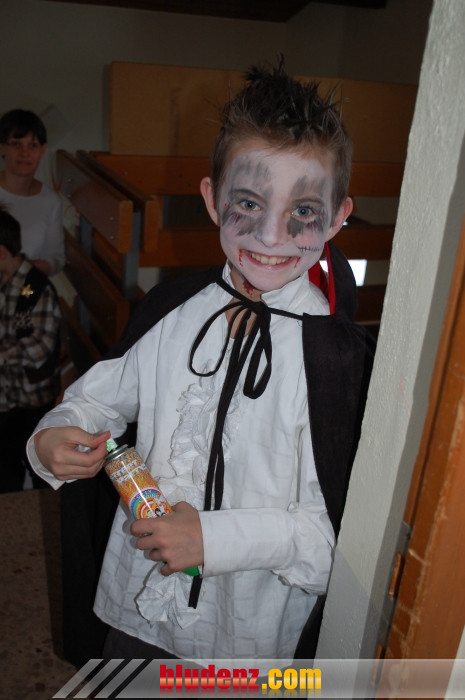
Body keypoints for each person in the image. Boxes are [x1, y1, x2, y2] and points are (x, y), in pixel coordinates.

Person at [27, 61, 374, 662]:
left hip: (242, 635)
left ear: (339, 216)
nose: (270, 237)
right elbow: (96, 398)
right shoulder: (173, 312)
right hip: (138, 601)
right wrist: (54, 435)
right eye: (249, 202)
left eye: (303, 211)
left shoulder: (337, 364)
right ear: (213, 200)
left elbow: (333, 544)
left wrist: (213, 539)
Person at [0, 206, 61, 492]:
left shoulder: (37, 289)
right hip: (5, 398)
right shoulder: (3, 281)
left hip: (32, 401)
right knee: (5, 468)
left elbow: (39, 349)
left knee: (38, 468)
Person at [0, 109, 65, 277]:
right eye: (16, 144)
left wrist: (27, 268)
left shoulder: (51, 201)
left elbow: (55, 259)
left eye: (33, 145)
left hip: (24, 286)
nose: (25, 153)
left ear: (42, 151)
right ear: (2, 148)